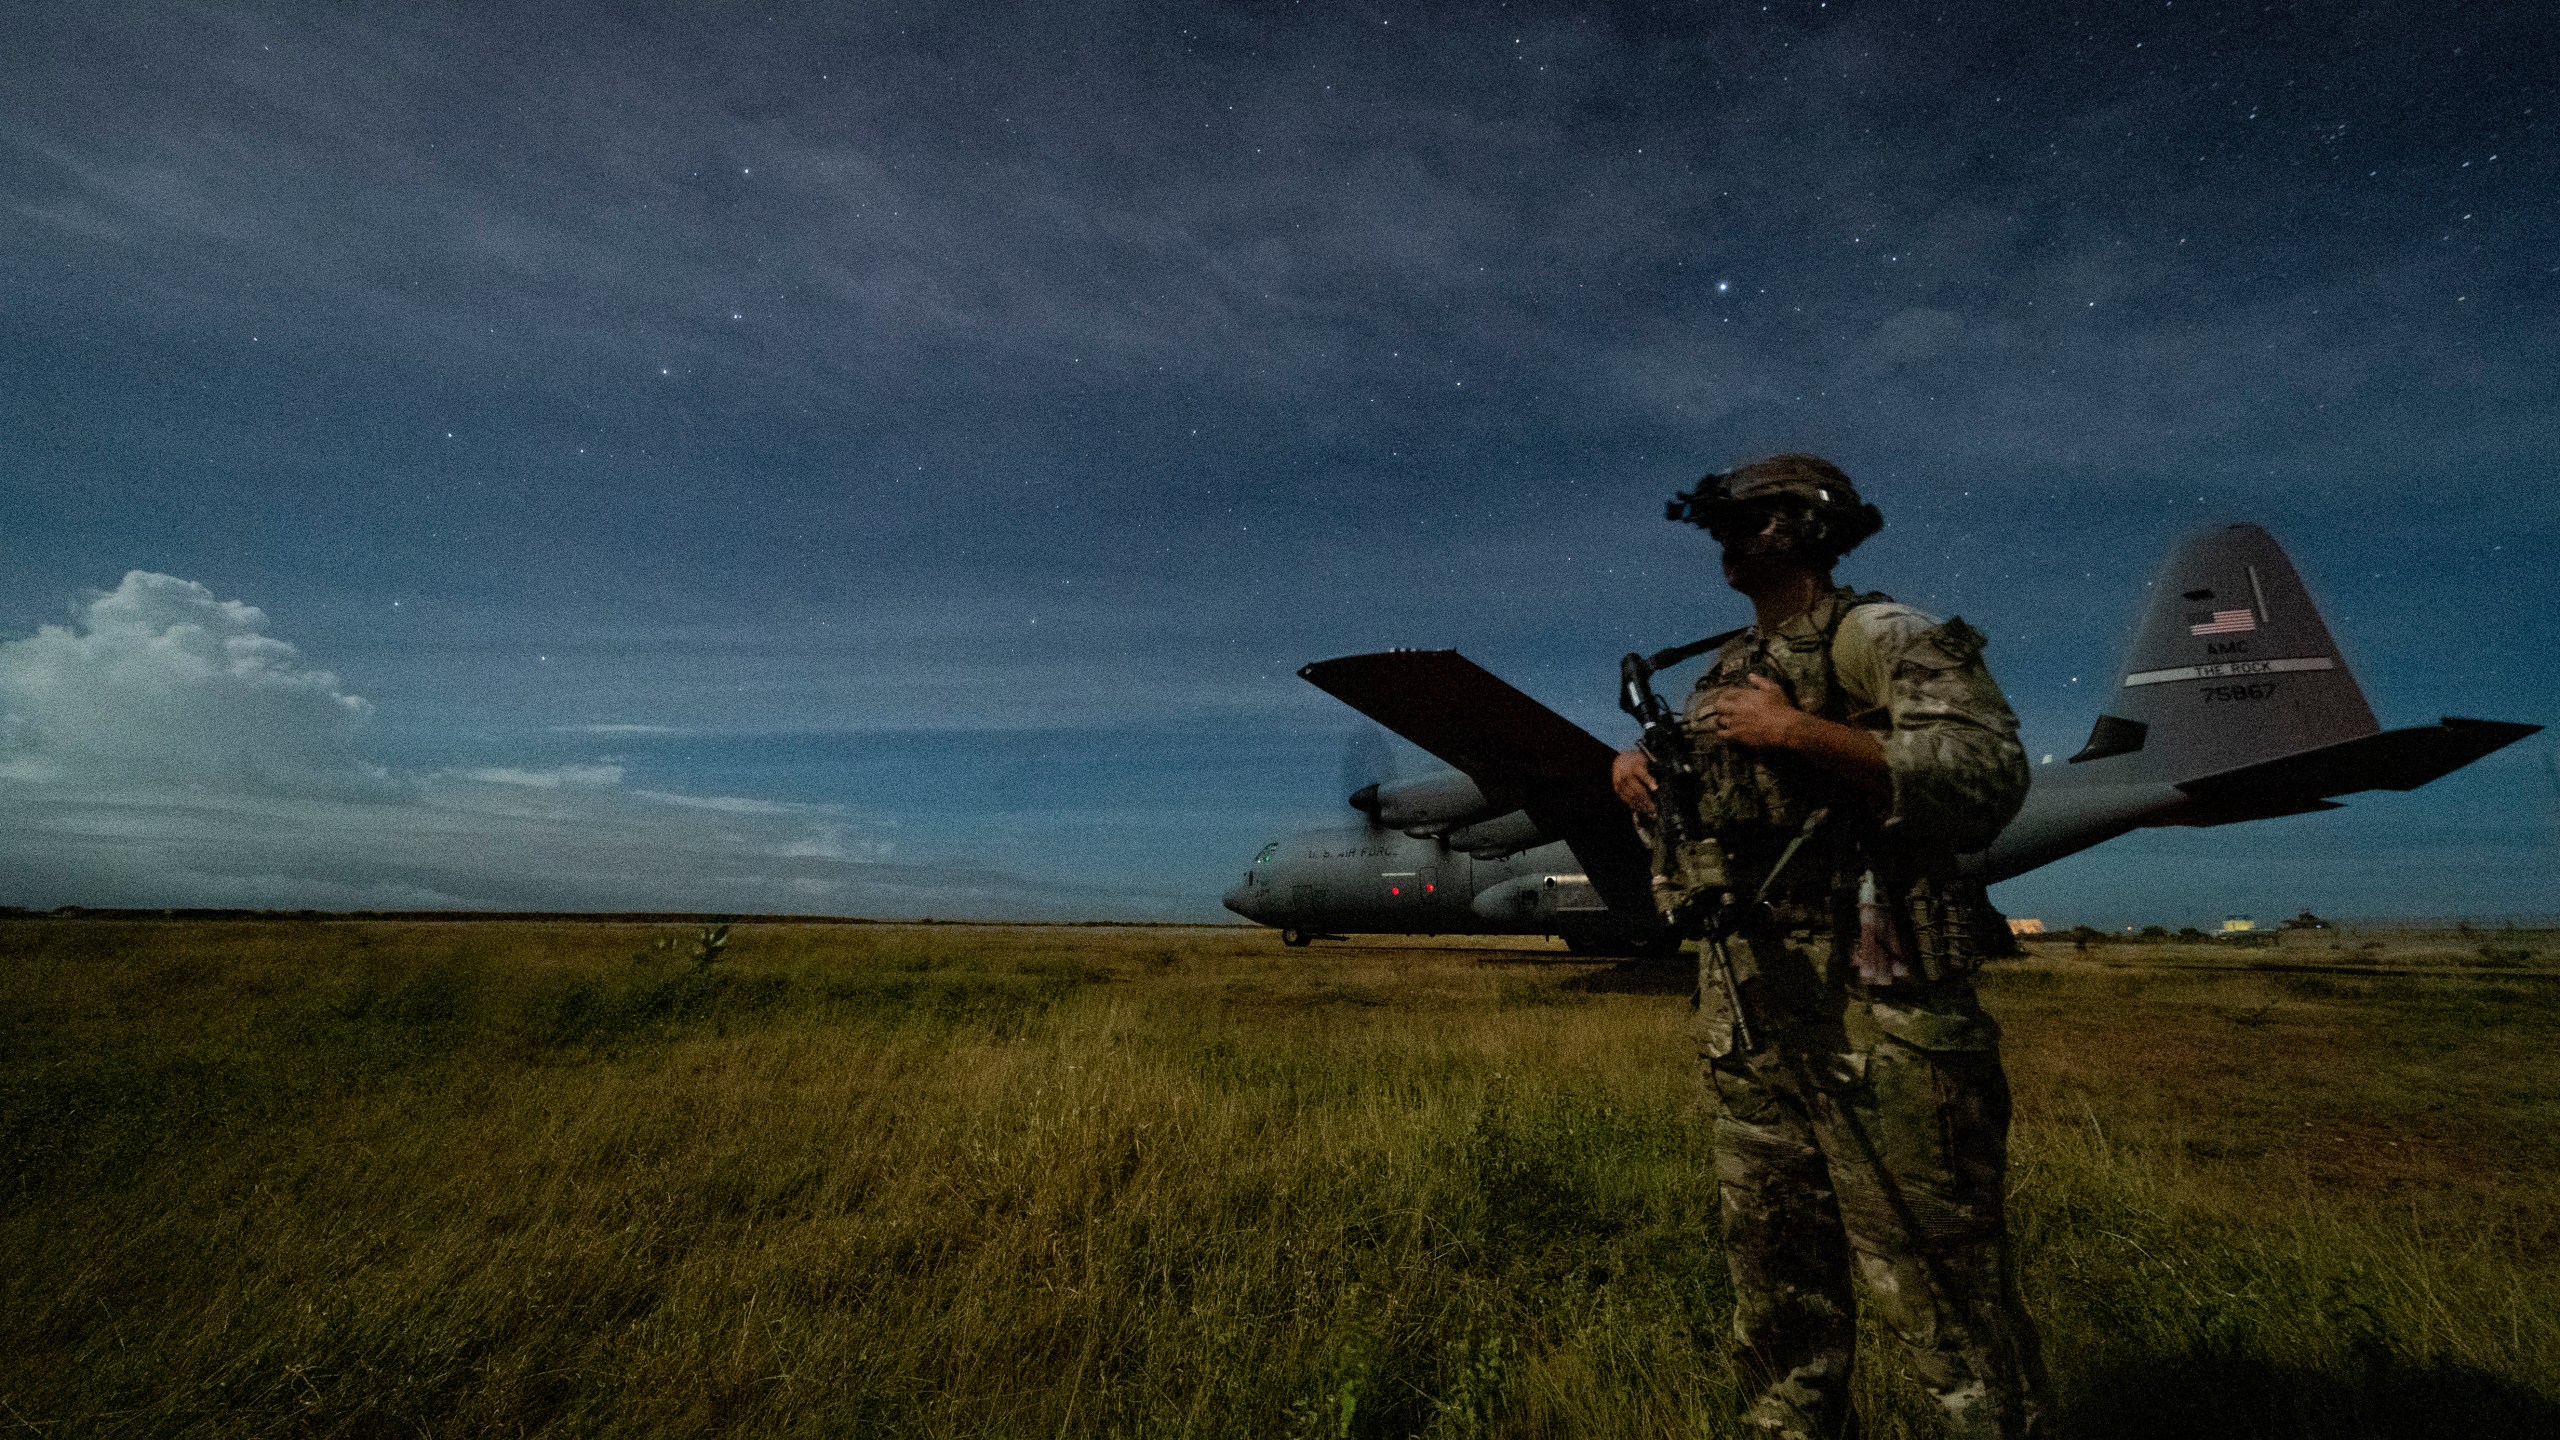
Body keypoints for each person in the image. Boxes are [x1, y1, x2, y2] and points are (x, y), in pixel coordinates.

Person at [1610, 454, 2049, 1440]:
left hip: (1883, 1044)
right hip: (1758, 1037)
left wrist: (1800, 733)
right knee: (1777, 1316)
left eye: (1756, 520)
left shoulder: (1881, 637)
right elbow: (1708, 854)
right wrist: (1645, 790)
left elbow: (1985, 777)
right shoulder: (1721, 677)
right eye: (1725, 524)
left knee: (1949, 1314)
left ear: (1811, 526)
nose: (1732, 540)